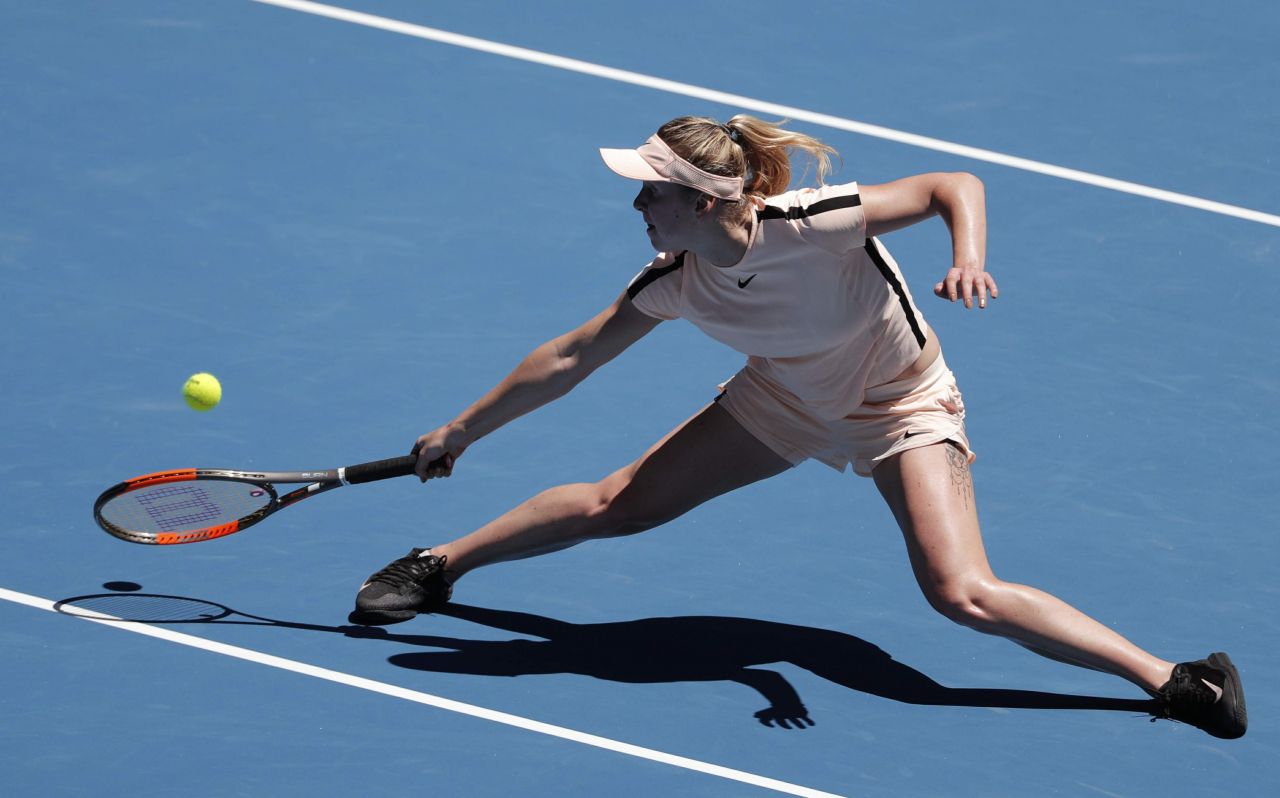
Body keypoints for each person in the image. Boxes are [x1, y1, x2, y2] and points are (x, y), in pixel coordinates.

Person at [350, 114, 1246, 739]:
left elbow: (950, 182)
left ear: (704, 203)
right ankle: (440, 566)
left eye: (651, 193)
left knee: (962, 592)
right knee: (617, 503)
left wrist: (968, 259)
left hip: (901, 403)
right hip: (784, 398)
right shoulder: (675, 280)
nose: (635, 208)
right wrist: (464, 430)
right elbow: (568, 358)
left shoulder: (812, 224)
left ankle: (1175, 678)